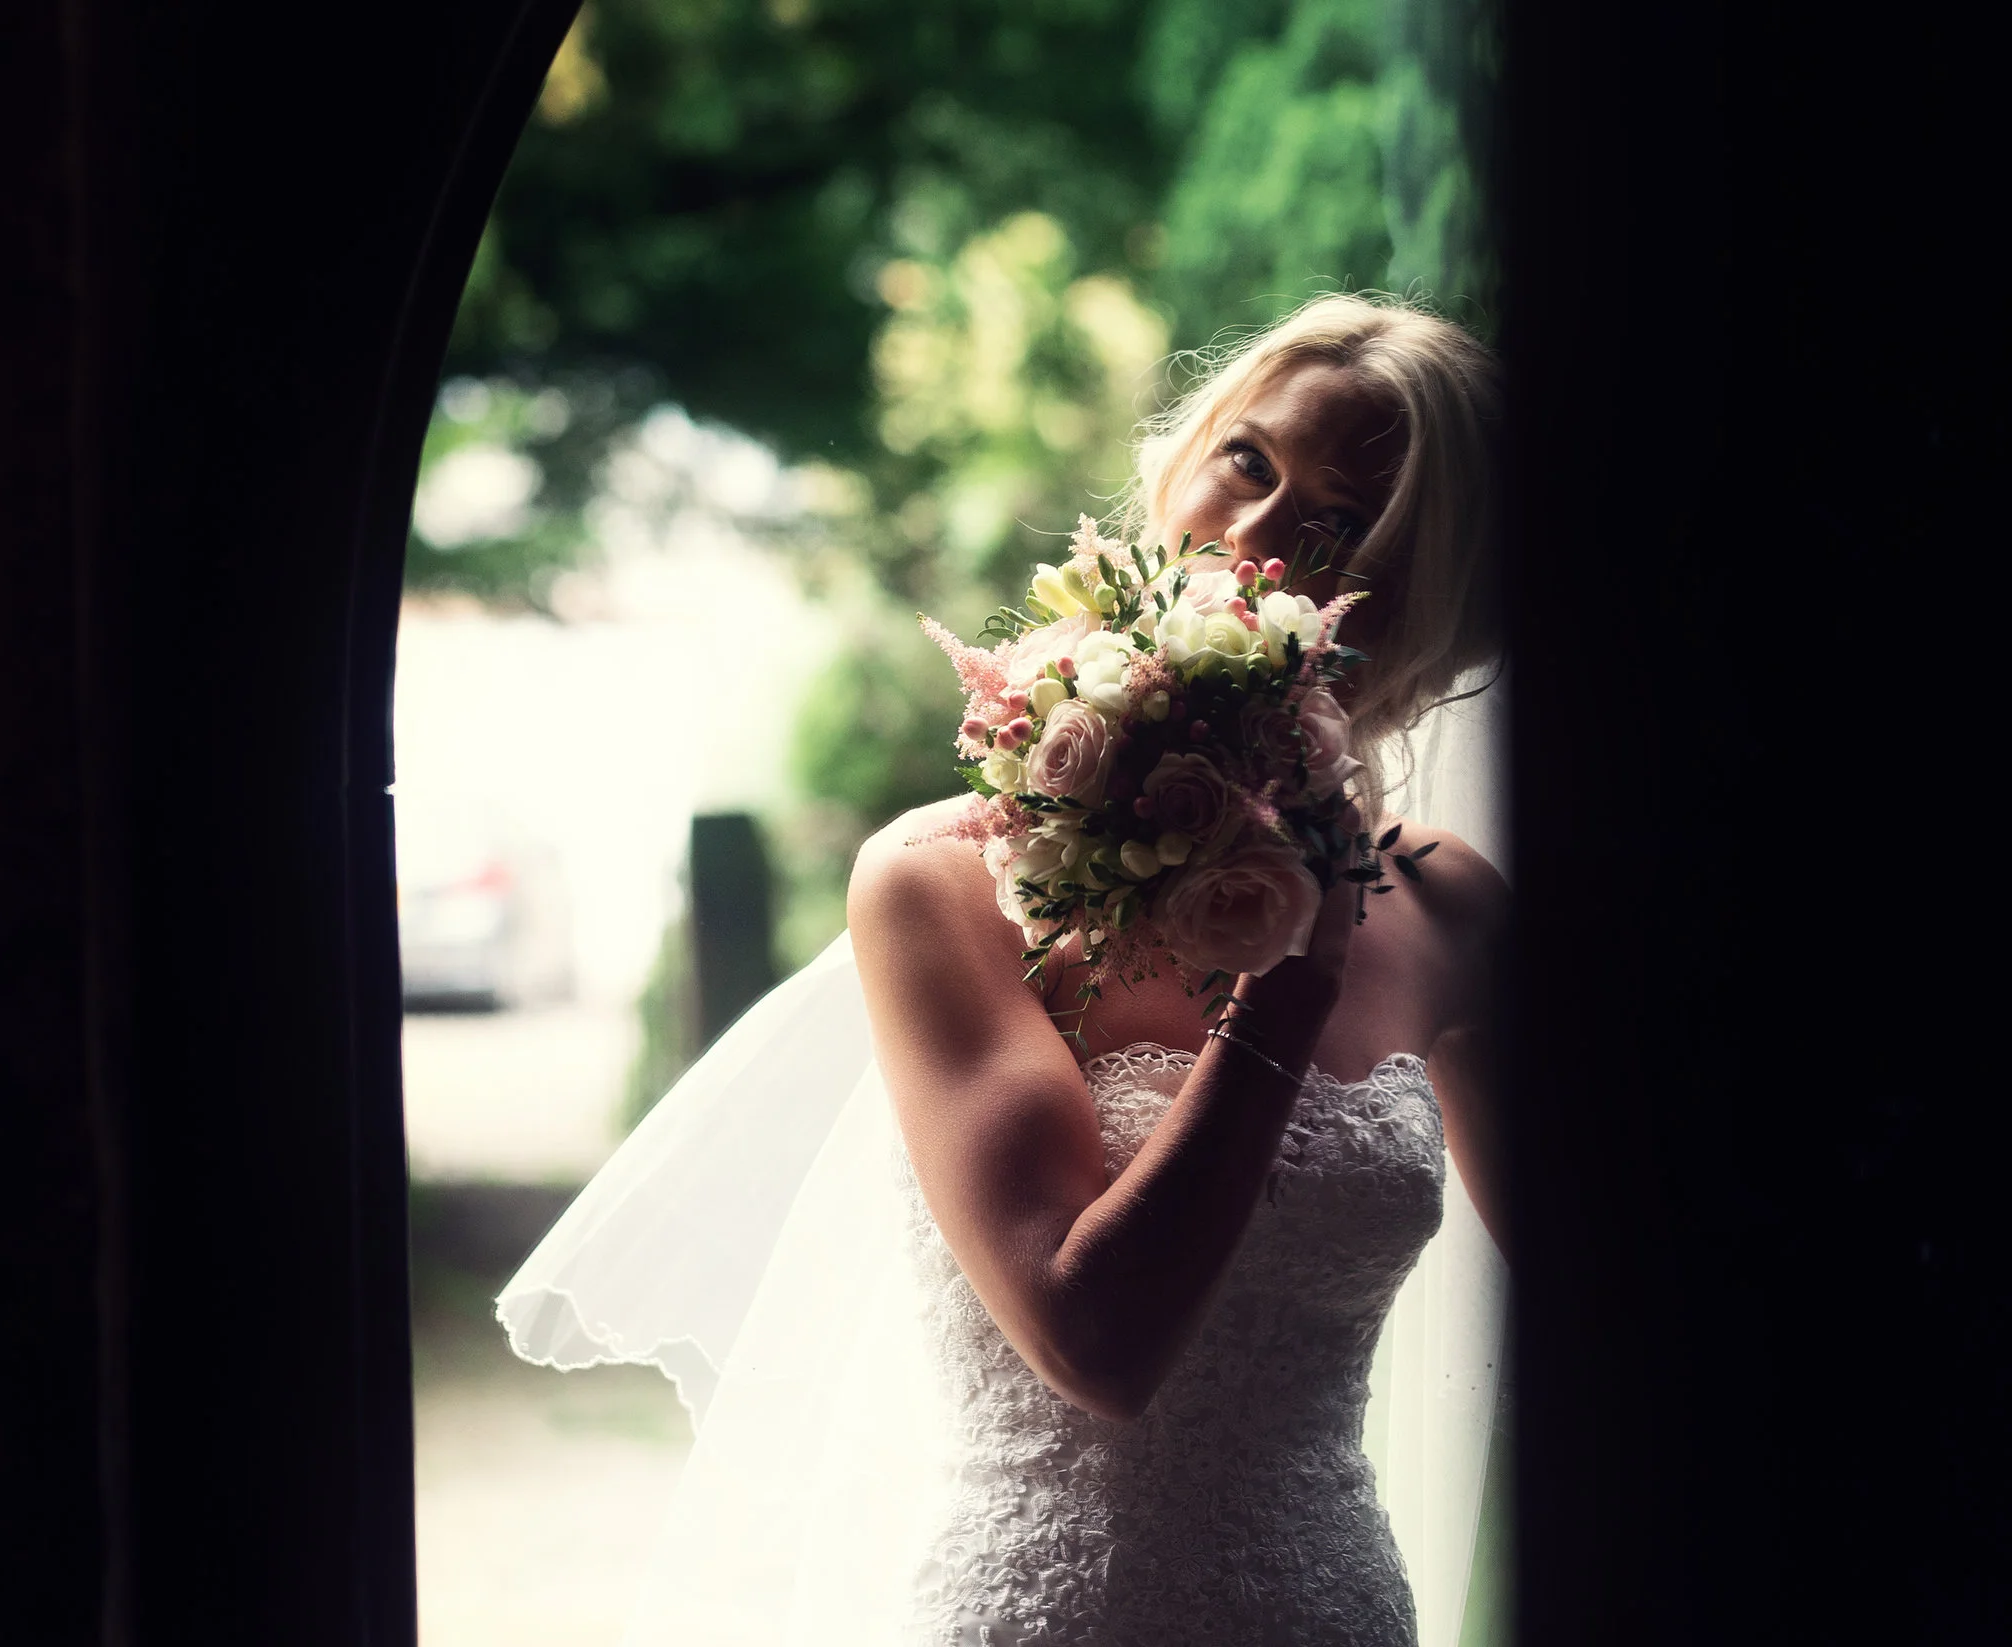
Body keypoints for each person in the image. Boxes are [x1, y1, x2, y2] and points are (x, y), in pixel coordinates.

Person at [501, 292, 1508, 1645]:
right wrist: (1293, 980)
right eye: (1248, 462)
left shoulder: (1449, 909)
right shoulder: (943, 882)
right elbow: (1096, 1342)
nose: (1253, 540)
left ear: (1430, 597)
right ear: (1183, 458)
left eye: (1339, 524)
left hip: (1331, 1604)